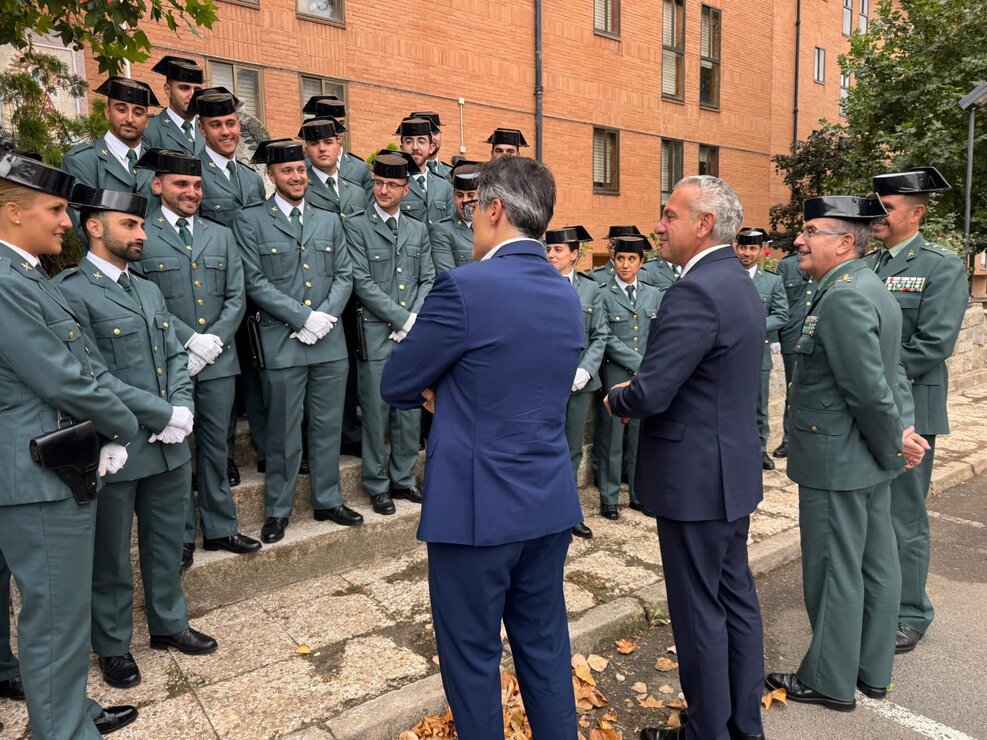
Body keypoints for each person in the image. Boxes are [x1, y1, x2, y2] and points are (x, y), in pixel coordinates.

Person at [380, 155, 582, 740]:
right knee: (544, 646)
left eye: (474, 213)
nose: (471, 225)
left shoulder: (464, 286)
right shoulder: (566, 292)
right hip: (546, 501)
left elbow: (397, 382)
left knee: (471, 658)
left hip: (475, 509)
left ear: (494, 210)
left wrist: (448, 389)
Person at [606, 175, 765, 740]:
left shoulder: (695, 289)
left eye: (669, 215)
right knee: (734, 602)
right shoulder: (736, 280)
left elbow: (651, 391)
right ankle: (742, 725)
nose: (658, 226)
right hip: (729, 472)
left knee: (700, 613)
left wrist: (615, 397)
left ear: (702, 225)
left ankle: (706, 731)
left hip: (696, 481)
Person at [764, 195, 928, 711]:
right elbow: (888, 376)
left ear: (842, 242)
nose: (798, 240)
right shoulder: (864, 286)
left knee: (835, 571)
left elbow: (868, 389)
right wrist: (897, 438)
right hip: (866, 457)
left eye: (810, 230)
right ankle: (872, 670)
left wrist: (893, 443)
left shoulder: (844, 296)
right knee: (876, 564)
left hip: (841, 461)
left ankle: (830, 681)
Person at [57, 185, 218, 690]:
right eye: (130, 225)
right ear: (95, 227)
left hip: (168, 445)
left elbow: (174, 354)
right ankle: (112, 644)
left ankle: (169, 624)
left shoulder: (146, 289)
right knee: (109, 554)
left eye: (142, 225)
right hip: (116, 446)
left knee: (167, 543)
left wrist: (183, 408)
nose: (141, 234)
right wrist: (163, 412)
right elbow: (93, 375)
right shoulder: (71, 291)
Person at [0, 151, 139, 738]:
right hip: (39, 471)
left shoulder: (29, 274)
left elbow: (81, 365)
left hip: (59, 460)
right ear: (11, 213)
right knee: (54, 616)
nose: (65, 221)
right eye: (55, 209)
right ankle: (60, 731)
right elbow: (62, 377)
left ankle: (67, 710)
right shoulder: (7, 283)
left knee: (64, 609)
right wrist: (127, 425)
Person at [133, 148, 260, 571]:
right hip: (169, 360)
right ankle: (180, 537)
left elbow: (236, 296)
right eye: (181, 184)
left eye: (197, 185)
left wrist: (214, 341)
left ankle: (221, 527)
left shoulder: (220, 234)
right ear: (158, 186)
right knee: (176, 450)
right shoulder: (143, 233)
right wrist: (190, 341)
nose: (192, 192)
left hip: (219, 360)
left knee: (217, 444)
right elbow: (144, 301)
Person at [233, 140, 360, 543]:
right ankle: (278, 510)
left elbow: (345, 274)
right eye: (287, 172)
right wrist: (302, 317)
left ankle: (327, 500)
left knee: (326, 427)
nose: (297, 177)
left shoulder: (328, 220)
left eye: (301, 171)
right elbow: (253, 280)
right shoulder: (250, 221)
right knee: (284, 431)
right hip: (283, 340)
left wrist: (324, 318)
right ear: (271, 176)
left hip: (329, 341)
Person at [868, 167, 969, 654]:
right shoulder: (869, 266)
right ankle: (879, 601)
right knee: (871, 512)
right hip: (872, 409)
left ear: (917, 212)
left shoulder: (941, 266)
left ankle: (912, 612)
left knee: (904, 515)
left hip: (911, 411)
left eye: (887, 208)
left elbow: (934, 343)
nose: (878, 215)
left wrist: (871, 375)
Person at [343, 153, 434, 515]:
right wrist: (400, 318)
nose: (384, 190)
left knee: (409, 410)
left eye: (392, 185)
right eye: (379, 183)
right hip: (376, 331)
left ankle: (404, 479)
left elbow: (427, 277)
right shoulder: (356, 225)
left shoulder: (417, 228)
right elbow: (361, 281)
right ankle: (377, 484)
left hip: (412, 332)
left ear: (405, 189)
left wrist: (413, 319)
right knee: (377, 412)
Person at [193, 86, 267, 487]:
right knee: (219, 378)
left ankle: (261, 445)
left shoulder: (249, 178)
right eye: (217, 125)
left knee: (254, 369)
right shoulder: (194, 174)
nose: (227, 132)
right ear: (202, 129)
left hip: (251, 287)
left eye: (232, 123)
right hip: (213, 287)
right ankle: (220, 458)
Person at [596, 235, 664, 520]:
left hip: (644, 375)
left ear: (641, 262)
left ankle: (638, 494)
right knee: (612, 438)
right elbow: (606, 337)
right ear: (613, 260)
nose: (625, 265)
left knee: (639, 437)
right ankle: (609, 498)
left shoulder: (653, 294)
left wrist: (648, 366)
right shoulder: (602, 293)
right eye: (620, 259)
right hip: (615, 371)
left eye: (631, 259)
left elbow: (658, 333)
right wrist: (640, 363)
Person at [545, 225, 606, 539]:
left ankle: (568, 514)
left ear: (574, 254)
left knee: (571, 450)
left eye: (558, 250)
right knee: (542, 447)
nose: (552, 254)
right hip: (545, 383)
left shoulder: (590, 288)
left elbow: (600, 334)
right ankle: (542, 513)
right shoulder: (538, 285)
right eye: (549, 249)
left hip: (580, 383)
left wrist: (586, 369)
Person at [62, 76, 159, 231]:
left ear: (147, 120)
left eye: (138, 113)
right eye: (121, 110)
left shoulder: (159, 162)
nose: (129, 119)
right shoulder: (82, 161)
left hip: (157, 254)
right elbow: (82, 226)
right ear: (107, 112)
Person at [734, 227, 788, 470]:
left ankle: (759, 449)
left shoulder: (772, 280)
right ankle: (732, 449)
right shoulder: (728, 276)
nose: (747, 253)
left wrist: (755, 327)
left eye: (752, 248)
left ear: (761, 251)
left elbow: (781, 315)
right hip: (729, 352)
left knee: (759, 405)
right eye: (743, 247)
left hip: (758, 353)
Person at [771, 250, 815, 459]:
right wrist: (775, 339)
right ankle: (789, 440)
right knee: (793, 390)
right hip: (792, 337)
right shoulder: (787, 265)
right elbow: (779, 302)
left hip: (820, 336)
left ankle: (812, 439)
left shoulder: (831, 260)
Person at [301, 95, 373, 195]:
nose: (338, 130)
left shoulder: (360, 168)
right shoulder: (301, 168)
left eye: (341, 123)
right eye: (332, 124)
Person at [300, 117, 368, 217]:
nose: (322, 148)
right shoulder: (300, 190)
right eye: (314, 144)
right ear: (306, 151)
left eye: (328, 142)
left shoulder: (357, 192)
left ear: (339, 148)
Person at [397, 117, 455, 225]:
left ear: (431, 147)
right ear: (402, 148)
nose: (415, 147)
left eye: (421, 141)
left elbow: (452, 227)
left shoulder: (444, 186)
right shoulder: (394, 185)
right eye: (409, 142)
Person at [142, 56, 205, 155]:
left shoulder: (209, 130)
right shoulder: (148, 129)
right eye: (184, 88)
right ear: (168, 90)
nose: (192, 95)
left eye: (197, 90)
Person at [429, 161, 478, 273]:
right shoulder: (442, 230)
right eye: (459, 195)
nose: (464, 201)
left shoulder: (492, 228)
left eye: (471, 195)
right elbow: (448, 277)